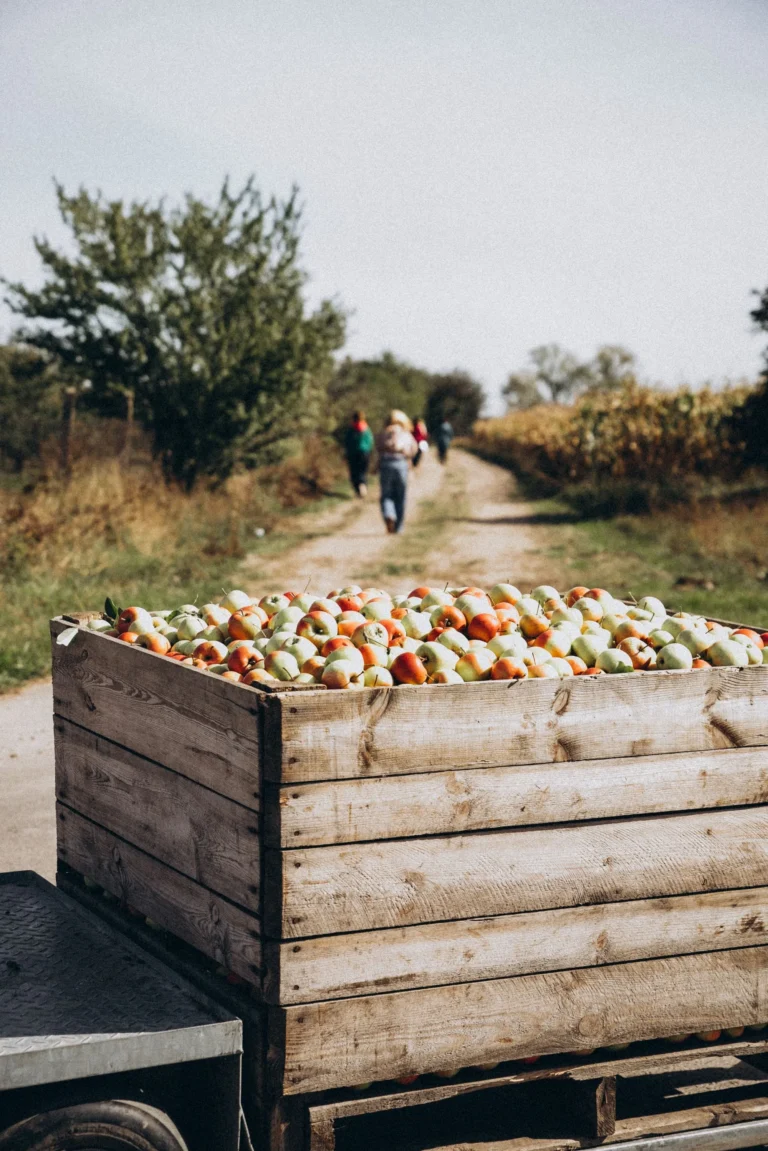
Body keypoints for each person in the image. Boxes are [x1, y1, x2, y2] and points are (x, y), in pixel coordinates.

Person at [375, 409, 418, 533]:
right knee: (400, 496)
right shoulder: (406, 433)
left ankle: (389, 515)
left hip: (386, 464)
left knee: (386, 495)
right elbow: (413, 449)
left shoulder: (384, 432)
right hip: (401, 464)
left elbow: (378, 447)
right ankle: (398, 527)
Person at [344, 410, 374, 497]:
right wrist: (369, 449)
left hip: (353, 453)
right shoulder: (366, 428)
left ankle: (357, 489)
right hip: (365, 453)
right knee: (362, 471)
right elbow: (371, 441)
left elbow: (347, 441)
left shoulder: (351, 429)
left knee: (354, 471)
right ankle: (363, 485)